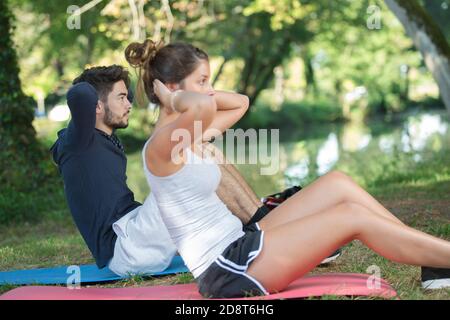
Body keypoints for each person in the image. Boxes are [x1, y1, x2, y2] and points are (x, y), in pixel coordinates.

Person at [124, 38, 450, 298]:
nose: (210, 89)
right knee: (352, 216)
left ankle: (431, 261)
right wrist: (174, 99)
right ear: (173, 87)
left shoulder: (189, 136)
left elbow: (239, 103)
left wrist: (187, 91)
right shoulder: (160, 147)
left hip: (242, 241)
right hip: (226, 271)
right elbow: (205, 105)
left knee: (337, 183)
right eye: (203, 80)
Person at [49, 65, 337, 278]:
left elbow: (239, 105)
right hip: (126, 249)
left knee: (195, 145)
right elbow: (81, 93)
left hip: (137, 233)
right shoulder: (79, 140)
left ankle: (261, 223)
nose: (128, 105)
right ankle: (266, 227)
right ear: (97, 107)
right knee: (193, 151)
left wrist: (184, 94)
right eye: (122, 97)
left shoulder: (101, 140)